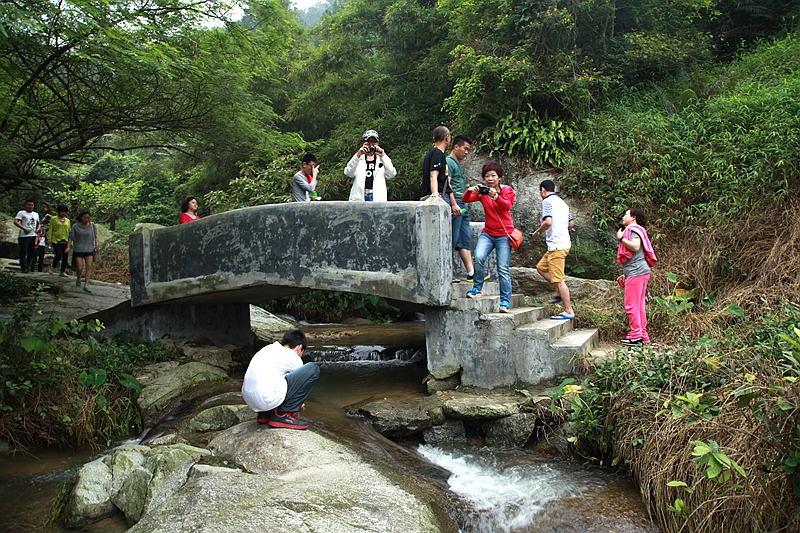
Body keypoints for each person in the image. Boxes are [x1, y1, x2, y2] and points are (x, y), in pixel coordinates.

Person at [462, 162, 517, 313]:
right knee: (478, 257)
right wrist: (469, 190)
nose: (490, 179)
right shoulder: (483, 193)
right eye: (487, 176)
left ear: (499, 177)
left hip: (504, 235)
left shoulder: (507, 190)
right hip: (488, 233)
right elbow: (466, 199)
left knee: (502, 268)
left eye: (493, 175)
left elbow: (506, 206)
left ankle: (505, 302)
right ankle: (476, 289)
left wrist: (496, 196)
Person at [241, 329, 320, 430]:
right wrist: (297, 404)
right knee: (313, 369)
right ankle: (283, 415)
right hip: (265, 398)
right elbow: (298, 384)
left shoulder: (267, 349)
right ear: (299, 348)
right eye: (302, 352)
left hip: (249, 399)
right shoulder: (292, 356)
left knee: (274, 377)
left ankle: (265, 414)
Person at [532, 180, 575, 320]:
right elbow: (571, 223)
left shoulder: (547, 202)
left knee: (559, 279)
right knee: (541, 268)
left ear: (543, 190)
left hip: (557, 246)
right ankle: (558, 291)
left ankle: (568, 311)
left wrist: (538, 232)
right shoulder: (562, 203)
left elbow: (548, 222)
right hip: (561, 244)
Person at [616, 208, 657, 346]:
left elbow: (635, 246)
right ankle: (643, 335)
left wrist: (621, 238)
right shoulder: (639, 229)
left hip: (637, 271)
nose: (623, 217)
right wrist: (626, 273)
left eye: (625, 215)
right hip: (639, 271)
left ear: (633, 217)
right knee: (639, 305)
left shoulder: (632, 229)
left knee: (631, 305)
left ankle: (635, 335)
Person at [445, 135, 476, 283]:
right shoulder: (449, 162)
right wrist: (453, 204)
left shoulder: (456, 163)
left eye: (468, 150)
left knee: (464, 240)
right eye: (465, 149)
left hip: (462, 206)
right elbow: (447, 184)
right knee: (451, 240)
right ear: (456, 147)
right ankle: (446, 273)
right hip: (455, 206)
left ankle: (472, 274)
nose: (466, 152)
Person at [346, 129, 397, 202]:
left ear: (377, 143)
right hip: (359, 198)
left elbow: (392, 174)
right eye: (368, 142)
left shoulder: (381, 160)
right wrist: (358, 154)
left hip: (377, 198)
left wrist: (383, 155)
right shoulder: (358, 158)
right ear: (364, 142)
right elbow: (349, 173)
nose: (371, 144)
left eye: (374, 142)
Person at [65, 211, 98, 293]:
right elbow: (71, 237)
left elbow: (95, 236)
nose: (86, 220)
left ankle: (86, 285)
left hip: (89, 248)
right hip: (78, 249)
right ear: (81, 217)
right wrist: (68, 247)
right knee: (79, 268)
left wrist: (96, 245)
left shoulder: (92, 226)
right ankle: (79, 277)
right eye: (85, 218)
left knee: (89, 266)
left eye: (88, 218)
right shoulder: (75, 226)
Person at [419, 126, 452, 200]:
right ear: (447, 137)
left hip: (435, 194)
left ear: (434, 138)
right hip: (439, 194)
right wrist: (435, 194)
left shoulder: (431, 153)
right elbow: (433, 175)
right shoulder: (437, 154)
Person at [14, 199, 40, 273]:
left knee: (31, 252)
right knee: (23, 251)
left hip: (33, 235)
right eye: (28, 205)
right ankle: (24, 267)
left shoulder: (36, 214)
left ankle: (27, 266)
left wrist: (38, 229)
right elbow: (15, 221)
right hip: (24, 235)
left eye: (31, 205)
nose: (30, 206)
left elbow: (38, 223)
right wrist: (23, 228)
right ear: (25, 205)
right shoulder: (22, 213)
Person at [48, 205, 71, 277]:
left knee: (65, 256)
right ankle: (53, 267)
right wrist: (49, 239)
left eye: (64, 212)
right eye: (61, 211)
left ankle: (62, 271)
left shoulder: (67, 220)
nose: (63, 213)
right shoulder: (54, 219)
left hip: (65, 240)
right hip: (56, 240)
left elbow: (69, 231)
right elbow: (50, 229)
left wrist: (71, 242)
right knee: (58, 254)